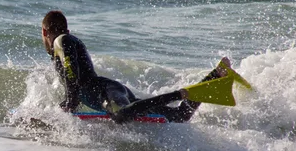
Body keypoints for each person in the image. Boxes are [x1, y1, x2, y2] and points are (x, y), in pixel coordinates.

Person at [41, 10, 230, 124]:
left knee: (121, 115)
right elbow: (73, 76)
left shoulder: (61, 40)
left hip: (106, 91)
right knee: (181, 115)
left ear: (44, 31)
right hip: (109, 93)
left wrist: (70, 102)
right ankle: (216, 75)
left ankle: (180, 93)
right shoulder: (67, 40)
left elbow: (71, 72)